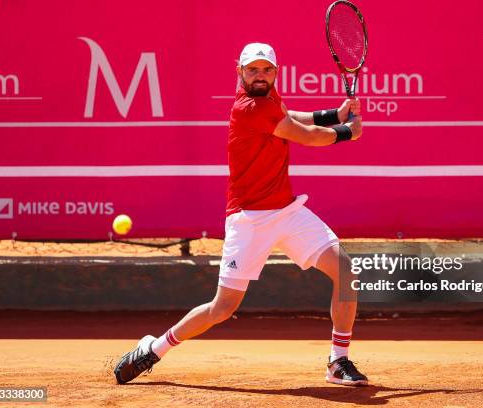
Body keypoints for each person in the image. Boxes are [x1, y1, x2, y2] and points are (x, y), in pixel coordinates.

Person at [114, 42, 367, 386]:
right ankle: (154, 348)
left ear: (276, 73)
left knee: (344, 270)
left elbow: (291, 118)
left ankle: (338, 361)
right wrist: (347, 132)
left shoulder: (270, 99)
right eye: (252, 70)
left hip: (287, 212)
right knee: (222, 309)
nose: (260, 76)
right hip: (249, 220)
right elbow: (305, 136)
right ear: (240, 73)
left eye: (266, 70)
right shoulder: (248, 108)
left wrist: (333, 115)